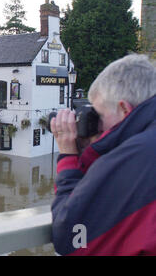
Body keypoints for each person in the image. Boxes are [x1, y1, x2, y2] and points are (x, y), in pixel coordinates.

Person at [50, 54, 156, 255]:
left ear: (124, 109)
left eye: (99, 115)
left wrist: (68, 156)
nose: (96, 126)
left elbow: (71, 236)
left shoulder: (135, 156)